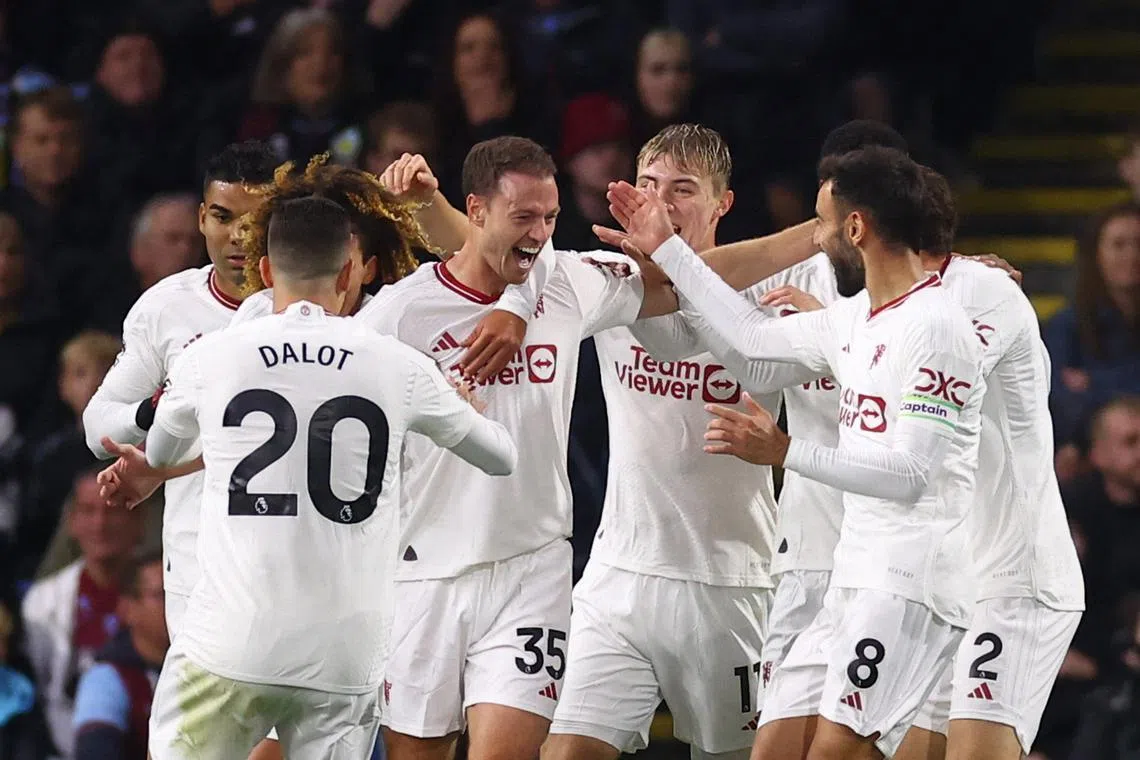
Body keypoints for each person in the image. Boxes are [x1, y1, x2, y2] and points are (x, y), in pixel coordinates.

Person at [613, 145, 985, 760]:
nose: (817, 236)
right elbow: (754, 343)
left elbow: (912, 474)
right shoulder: (858, 319)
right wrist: (670, 252)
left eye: (822, 222)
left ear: (856, 228)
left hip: (909, 584)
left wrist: (786, 451)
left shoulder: (937, 327)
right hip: (850, 577)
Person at [142, 195, 517, 760]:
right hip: (345, 657)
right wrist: (464, 406)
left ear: (265, 273)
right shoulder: (399, 365)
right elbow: (499, 458)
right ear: (349, 272)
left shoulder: (213, 356)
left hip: (230, 645)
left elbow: (159, 450)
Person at [359, 135, 677, 760]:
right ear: (474, 211)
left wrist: (663, 244)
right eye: (523, 217)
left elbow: (675, 290)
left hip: (531, 567)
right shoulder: (398, 317)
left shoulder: (568, 286)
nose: (539, 233)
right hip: (424, 573)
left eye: (551, 217)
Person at [81, 140, 280, 642]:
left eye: (254, 220)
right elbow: (97, 424)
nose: (238, 236)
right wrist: (154, 411)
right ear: (200, 219)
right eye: (222, 216)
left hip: (296, 555)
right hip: (199, 560)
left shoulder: (320, 307)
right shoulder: (168, 307)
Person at [72, 548, 168, 760]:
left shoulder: (209, 663)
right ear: (128, 608)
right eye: (163, 595)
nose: (177, 604)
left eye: (182, 593)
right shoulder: (106, 678)